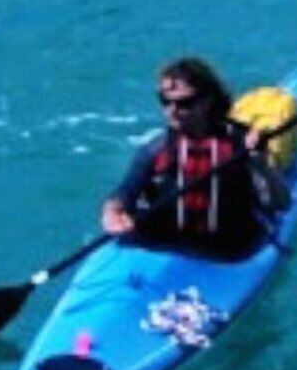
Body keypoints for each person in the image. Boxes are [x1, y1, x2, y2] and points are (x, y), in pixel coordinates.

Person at [103, 55, 287, 261]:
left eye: (184, 103)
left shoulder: (240, 145)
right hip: (168, 244)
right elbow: (122, 195)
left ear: (207, 101)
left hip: (231, 250)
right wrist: (112, 214)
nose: (172, 111)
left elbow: (279, 203)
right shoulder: (156, 149)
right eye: (165, 102)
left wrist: (260, 162)